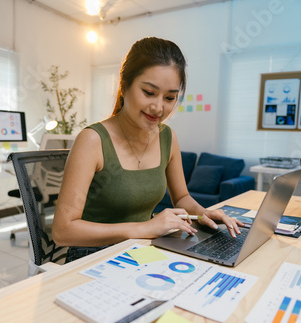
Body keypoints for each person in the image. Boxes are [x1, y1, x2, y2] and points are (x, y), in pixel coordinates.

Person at [52, 37, 243, 263]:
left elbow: (181, 197)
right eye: (149, 92)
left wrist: (202, 213)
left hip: (143, 250)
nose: (158, 107)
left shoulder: (167, 137)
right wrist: (145, 228)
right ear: (124, 85)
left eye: (170, 97)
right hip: (93, 255)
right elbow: (63, 231)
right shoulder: (92, 140)